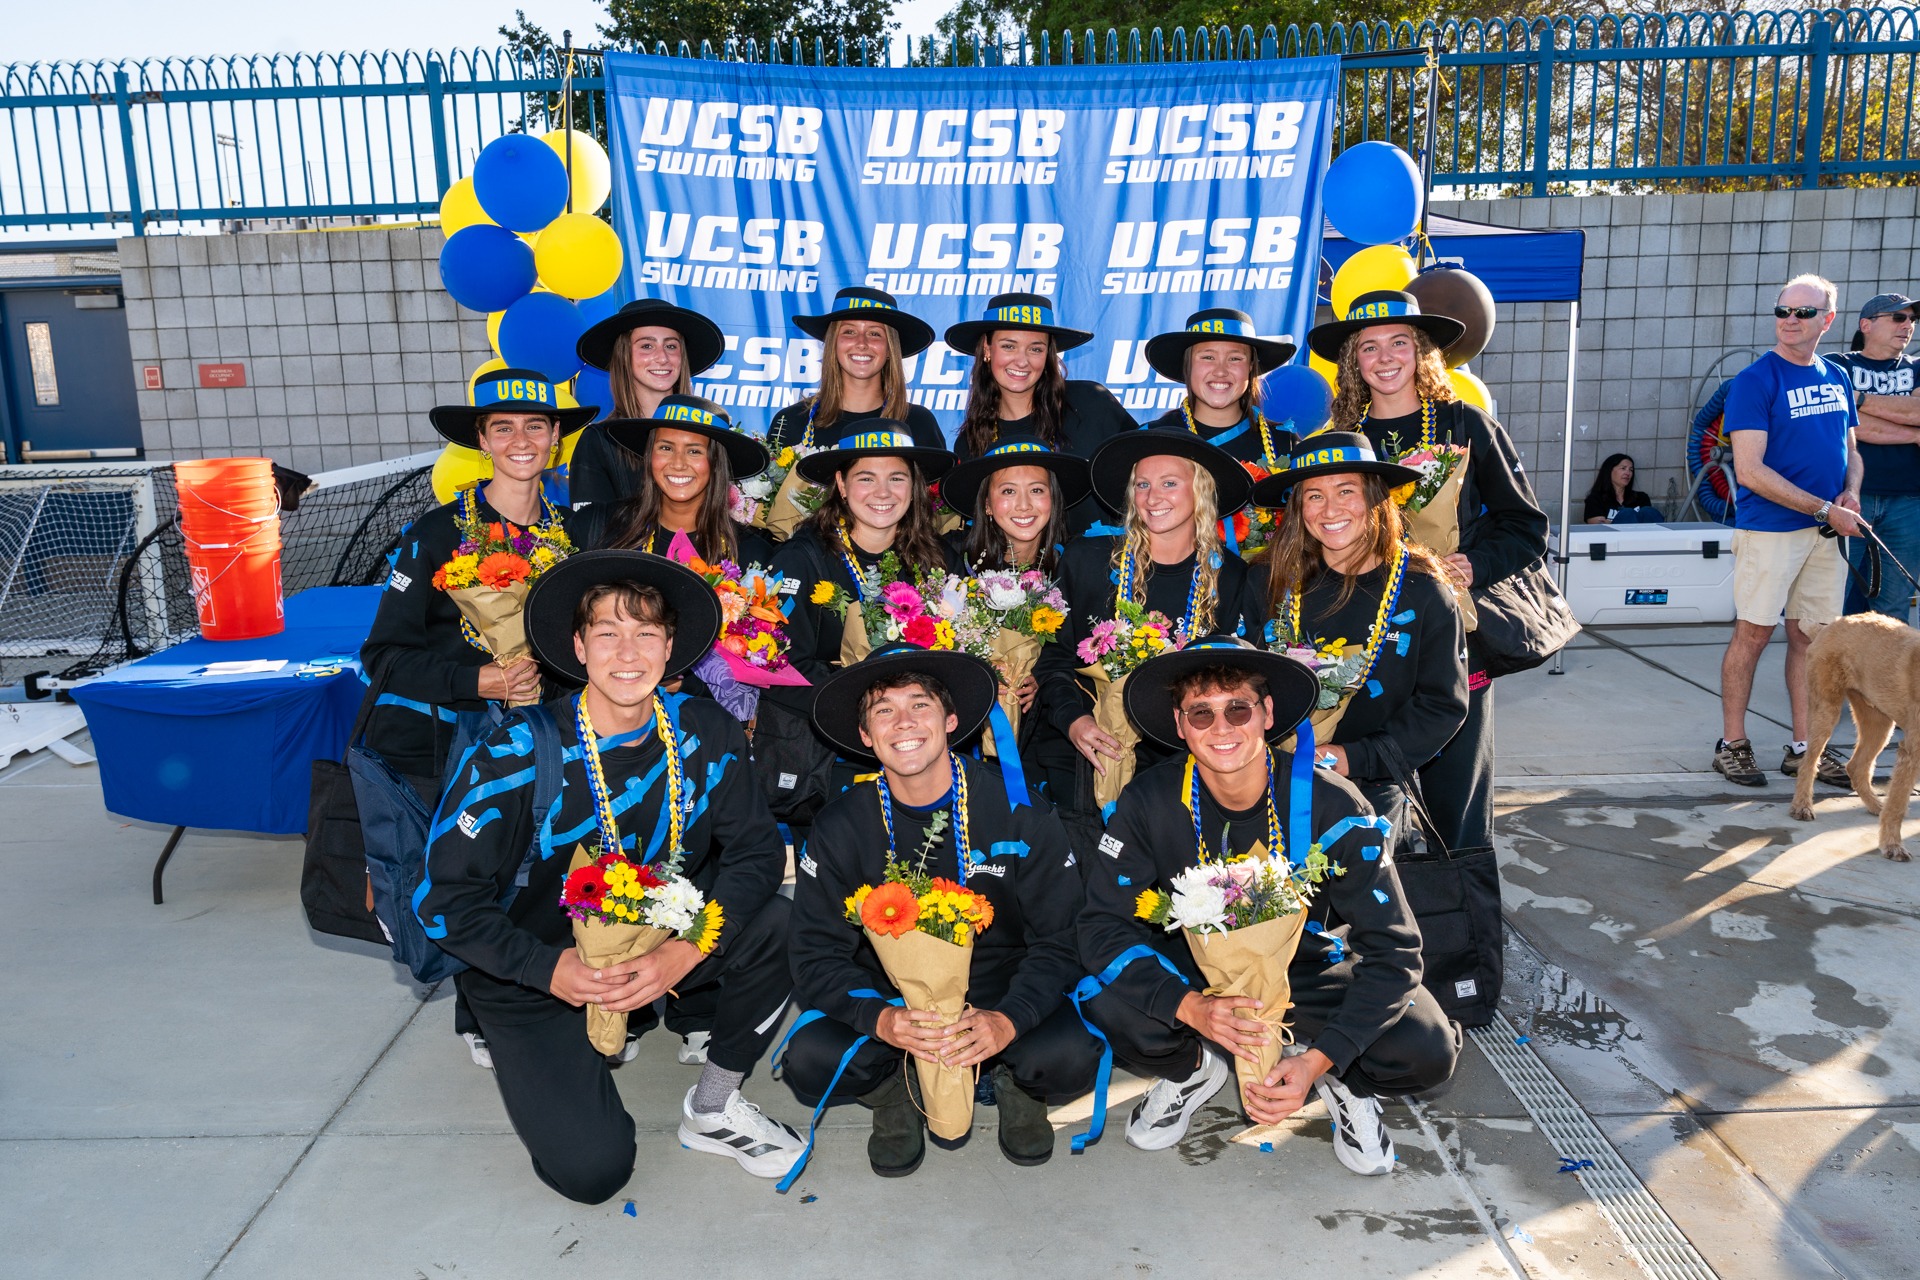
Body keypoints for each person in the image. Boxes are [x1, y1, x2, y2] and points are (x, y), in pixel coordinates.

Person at [416, 550, 804, 1202]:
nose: (628, 652)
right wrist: (547, 970)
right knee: (595, 1173)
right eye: (607, 632)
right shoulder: (516, 751)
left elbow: (758, 855)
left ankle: (714, 1105)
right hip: (533, 969)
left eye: (646, 633)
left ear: (670, 647)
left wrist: (687, 950)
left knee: (785, 922)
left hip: (658, 941)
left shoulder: (706, 731)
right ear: (578, 646)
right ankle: (530, 1043)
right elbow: (442, 901)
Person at [1075, 637, 1458, 1175]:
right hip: (1197, 972)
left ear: (1267, 713)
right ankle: (1194, 1067)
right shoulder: (1148, 799)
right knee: (1104, 998)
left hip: (1308, 967)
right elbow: (1100, 926)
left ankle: (1342, 1081)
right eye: (1201, 713)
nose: (1221, 728)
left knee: (1426, 1046)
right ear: (1180, 725)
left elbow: (1396, 951)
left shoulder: (1332, 801)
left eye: (1238, 709)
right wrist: (1190, 1008)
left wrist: (1321, 1058)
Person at [781, 643, 1100, 1175]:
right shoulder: (840, 824)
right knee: (811, 1058)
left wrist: (1009, 1020)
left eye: (920, 704)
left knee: (1069, 1053)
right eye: (884, 710)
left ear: (952, 721)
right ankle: (895, 1091)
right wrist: (882, 1019)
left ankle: (1014, 1081)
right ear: (865, 735)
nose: (903, 722)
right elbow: (813, 953)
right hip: (892, 994)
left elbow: (1063, 938)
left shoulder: (1018, 810)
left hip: (1001, 986)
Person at [1310, 289, 1547, 891]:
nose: (1385, 357)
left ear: (1421, 352)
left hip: (1455, 639)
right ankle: (1377, 926)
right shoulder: (1341, 437)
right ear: (1353, 362)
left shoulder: (1466, 425)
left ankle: (1466, 933)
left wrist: (1474, 563)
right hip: (1362, 647)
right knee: (1365, 801)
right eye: (1369, 347)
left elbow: (1526, 527)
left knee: (1457, 804)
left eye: (1400, 343)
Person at [360, 368, 596, 785]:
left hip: (551, 745)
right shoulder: (436, 533)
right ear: (483, 440)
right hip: (446, 752)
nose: (521, 441)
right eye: (503, 428)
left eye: (535, 426)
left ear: (555, 435)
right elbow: (382, 656)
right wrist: (474, 681)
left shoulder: (577, 534)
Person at [1034, 427, 1262, 821]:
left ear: (1200, 490)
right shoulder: (1087, 559)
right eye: (1142, 484)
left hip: (1183, 765)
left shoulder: (1232, 577)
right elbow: (1053, 659)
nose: (1153, 498)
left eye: (1169, 483)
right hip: (1084, 758)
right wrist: (1074, 721)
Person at [763, 425, 962, 824]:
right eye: (866, 478)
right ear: (841, 484)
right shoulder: (801, 558)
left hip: (918, 748)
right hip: (828, 757)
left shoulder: (939, 559)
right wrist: (863, 703)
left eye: (897, 478)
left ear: (914, 486)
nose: (883, 492)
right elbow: (780, 667)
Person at [1711, 274, 1865, 789]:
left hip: (1826, 531)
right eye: (1783, 311)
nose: (1790, 321)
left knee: (1811, 639)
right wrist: (1825, 509)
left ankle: (1806, 749)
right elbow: (1750, 471)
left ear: (1828, 320)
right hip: (1772, 532)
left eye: (1803, 312)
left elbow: (1851, 451)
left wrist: (1850, 493)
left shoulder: (1835, 375)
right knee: (1753, 634)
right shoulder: (1755, 380)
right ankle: (1732, 744)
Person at [1254, 433, 1468, 800]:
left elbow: (1441, 705)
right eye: (1314, 496)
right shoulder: (1268, 580)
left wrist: (1354, 758)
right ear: (1298, 508)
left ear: (1374, 497)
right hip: (1270, 778)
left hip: (1373, 788)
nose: (1330, 510)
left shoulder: (1423, 592)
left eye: (1346, 491)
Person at [945, 292, 1134, 533]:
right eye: (1009, 346)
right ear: (987, 349)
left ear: (1048, 355)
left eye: (1035, 349)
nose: (1022, 361)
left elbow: (1147, 475)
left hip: (1110, 555)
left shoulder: (1091, 403)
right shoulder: (971, 441)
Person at [574, 394, 776, 567]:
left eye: (694, 451)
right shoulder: (596, 527)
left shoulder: (752, 556)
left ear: (716, 463)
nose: (678, 464)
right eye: (666, 448)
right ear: (649, 455)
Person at [568, 299, 727, 507]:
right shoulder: (600, 441)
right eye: (647, 346)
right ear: (624, 356)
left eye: (671, 346)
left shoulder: (711, 434)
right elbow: (589, 524)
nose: (662, 357)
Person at [1827, 292, 1920, 621]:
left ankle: (1886, 660)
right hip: (1849, 498)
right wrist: (1913, 434)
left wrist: (1859, 399)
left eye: (1912, 319)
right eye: (1898, 317)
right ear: (1866, 325)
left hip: (1908, 502)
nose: (1907, 325)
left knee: (1893, 609)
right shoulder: (1837, 365)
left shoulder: (1917, 367)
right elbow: (1846, 424)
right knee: (1832, 599)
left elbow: (1918, 411)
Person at [765, 287, 946, 454]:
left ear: (890, 349)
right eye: (849, 332)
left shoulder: (919, 424)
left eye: (875, 333)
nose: (862, 343)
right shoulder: (791, 422)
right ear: (833, 343)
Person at [1141, 307, 1298, 473]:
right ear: (1187, 365)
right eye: (1208, 357)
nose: (1220, 371)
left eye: (1235, 358)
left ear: (1251, 366)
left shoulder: (1284, 443)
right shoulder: (1149, 439)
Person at [1582, 453, 1660, 524]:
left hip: (1642, 534)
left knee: (1648, 511)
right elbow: (1598, 525)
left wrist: (1610, 522)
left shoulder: (1641, 497)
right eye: (1623, 468)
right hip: (1614, 535)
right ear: (1609, 470)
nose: (1628, 473)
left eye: (1631, 470)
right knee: (1627, 513)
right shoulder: (1596, 499)